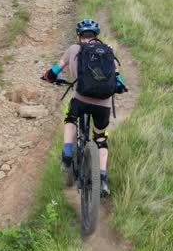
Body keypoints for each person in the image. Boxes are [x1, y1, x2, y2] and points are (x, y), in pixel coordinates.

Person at [41, 18, 128, 196]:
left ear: (79, 36)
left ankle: (66, 155)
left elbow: (54, 72)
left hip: (80, 99)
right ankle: (102, 180)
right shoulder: (108, 52)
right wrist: (118, 88)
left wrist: (48, 77)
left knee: (70, 117)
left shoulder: (73, 49)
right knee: (101, 138)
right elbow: (118, 82)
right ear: (97, 36)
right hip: (102, 106)